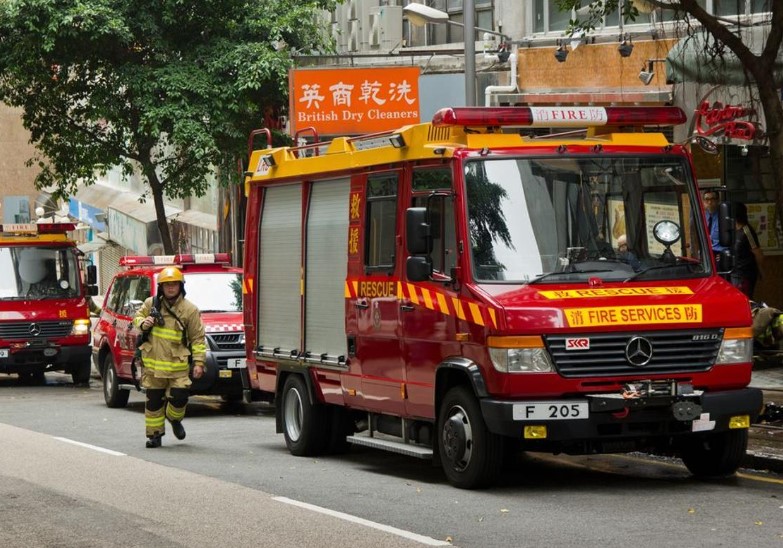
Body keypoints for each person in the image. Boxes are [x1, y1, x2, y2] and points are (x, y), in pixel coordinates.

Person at [133, 266, 207, 448]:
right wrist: (143, 323)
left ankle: (174, 419)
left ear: (181, 286)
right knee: (153, 403)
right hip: (153, 365)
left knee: (180, 397)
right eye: (167, 285)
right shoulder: (151, 304)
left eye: (174, 284)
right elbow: (136, 318)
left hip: (177, 367)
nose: (171, 288)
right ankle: (154, 436)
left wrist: (199, 362)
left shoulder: (190, 310)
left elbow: (198, 338)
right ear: (161, 287)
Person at [731, 202, 764, 299]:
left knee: (744, 300)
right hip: (734, 273)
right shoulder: (734, 230)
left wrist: (761, 271)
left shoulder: (747, 231)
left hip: (745, 275)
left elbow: (758, 253)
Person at [703, 190, 727, 256]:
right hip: (706, 253)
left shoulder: (724, 217)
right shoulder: (703, 216)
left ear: (718, 200)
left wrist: (724, 254)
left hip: (719, 253)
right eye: (707, 199)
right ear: (703, 201)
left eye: (712, 199)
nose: (709, 202)